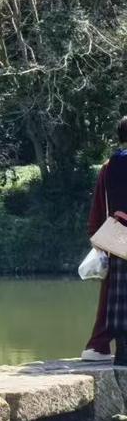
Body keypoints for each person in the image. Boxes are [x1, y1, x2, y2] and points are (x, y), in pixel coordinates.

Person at [83, 116, 127, 366]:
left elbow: (100, 203)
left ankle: (99, 344)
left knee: (112, 295)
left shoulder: (109, 165)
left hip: (116, 234)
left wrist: (96, 235)